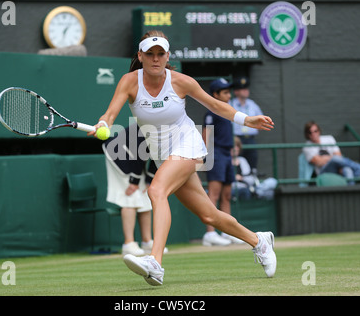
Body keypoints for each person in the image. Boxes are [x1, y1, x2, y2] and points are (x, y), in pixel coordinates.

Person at [89, 30, 276, 286]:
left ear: (167, 57)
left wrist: (246, 119)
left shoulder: (181, 81)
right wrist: (103, 123)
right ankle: (259, 241)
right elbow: (110, 114)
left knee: (156, 191)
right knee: (209, 216)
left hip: (187, 143)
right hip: (161, 155)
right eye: (150, 54)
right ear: (140, 56)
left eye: (161, 54)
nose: (156, 59)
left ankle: (155, 262)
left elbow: (215, 105)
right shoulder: (129, 82)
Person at [103, 123, 163, 256]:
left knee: (145, 196)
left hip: (134, 156)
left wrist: (149, 180)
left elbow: (158, 157)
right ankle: (128, 243)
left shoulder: (170, 131)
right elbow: (138, 153)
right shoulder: (152, 126)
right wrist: (134, 182)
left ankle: (147, 242)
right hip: (118, 153)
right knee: (130, 196)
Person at [201, 78, 239, 246]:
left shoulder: (227, 111)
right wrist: (206, 156)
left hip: (227, 154)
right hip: (215, 154)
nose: (228, 95)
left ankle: (227, 232)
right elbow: (206, 135)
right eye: (224, 92)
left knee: (226, 195)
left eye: (228, 92)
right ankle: (209, 233)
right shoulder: (211, 113)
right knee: (214, 195)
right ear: (215, 95)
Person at [230, 77, 263, 172]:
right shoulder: (231, 104)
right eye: (242, 89)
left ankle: (252, 181)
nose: (245, 91)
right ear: (236, 91)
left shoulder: (252, 104)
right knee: (237, 164)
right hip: (236, 139)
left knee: (252, 163)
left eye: (246, 89)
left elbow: (261, 120)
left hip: (251, 139)